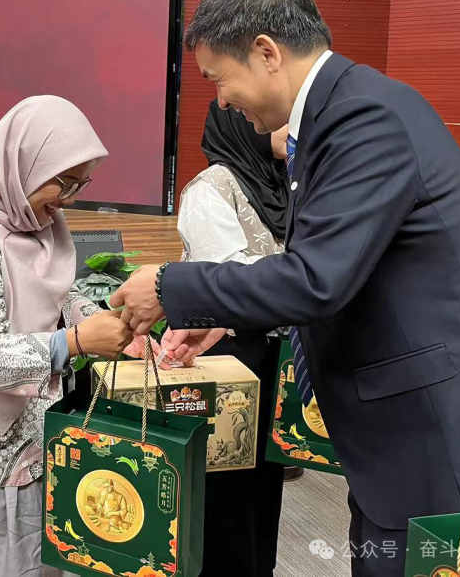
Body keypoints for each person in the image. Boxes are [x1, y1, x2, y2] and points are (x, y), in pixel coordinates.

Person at [111, 0, 460, 576]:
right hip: (408, 434)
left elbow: (315, 279)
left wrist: (171, 287)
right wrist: (217, 316)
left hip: (450, 434)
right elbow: (341, 270)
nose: (221, 102)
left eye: (218, 79)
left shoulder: (363, 117)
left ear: (266, 52)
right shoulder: (339, 115)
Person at [0, 96, 134, 577]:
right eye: (63, 181)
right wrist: (76, 342)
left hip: (30, 437)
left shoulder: (38, 218)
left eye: (81, 184)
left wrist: (106, 320)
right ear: (24, 163)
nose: (69, 198)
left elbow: (58, 294)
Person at [163, 100, 288, 577]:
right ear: (241, 126)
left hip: (274, 354)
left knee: (263, 487)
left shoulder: (281, 183)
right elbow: (227, 278)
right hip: (227, 352)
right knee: (225, 488)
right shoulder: (210, 186)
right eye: (275, 121)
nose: (287, 128)